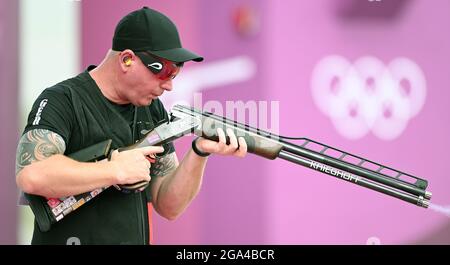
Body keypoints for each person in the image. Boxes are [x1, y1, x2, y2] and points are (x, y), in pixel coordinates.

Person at [15, 6, 247, 245]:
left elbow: (169, 206)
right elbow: (32, 175)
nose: (169, 86)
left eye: (175, 74)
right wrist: (113, 170)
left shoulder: (152, 109)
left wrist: (200, 151)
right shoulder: (62, 100)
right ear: (127, 59)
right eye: (164, 72)